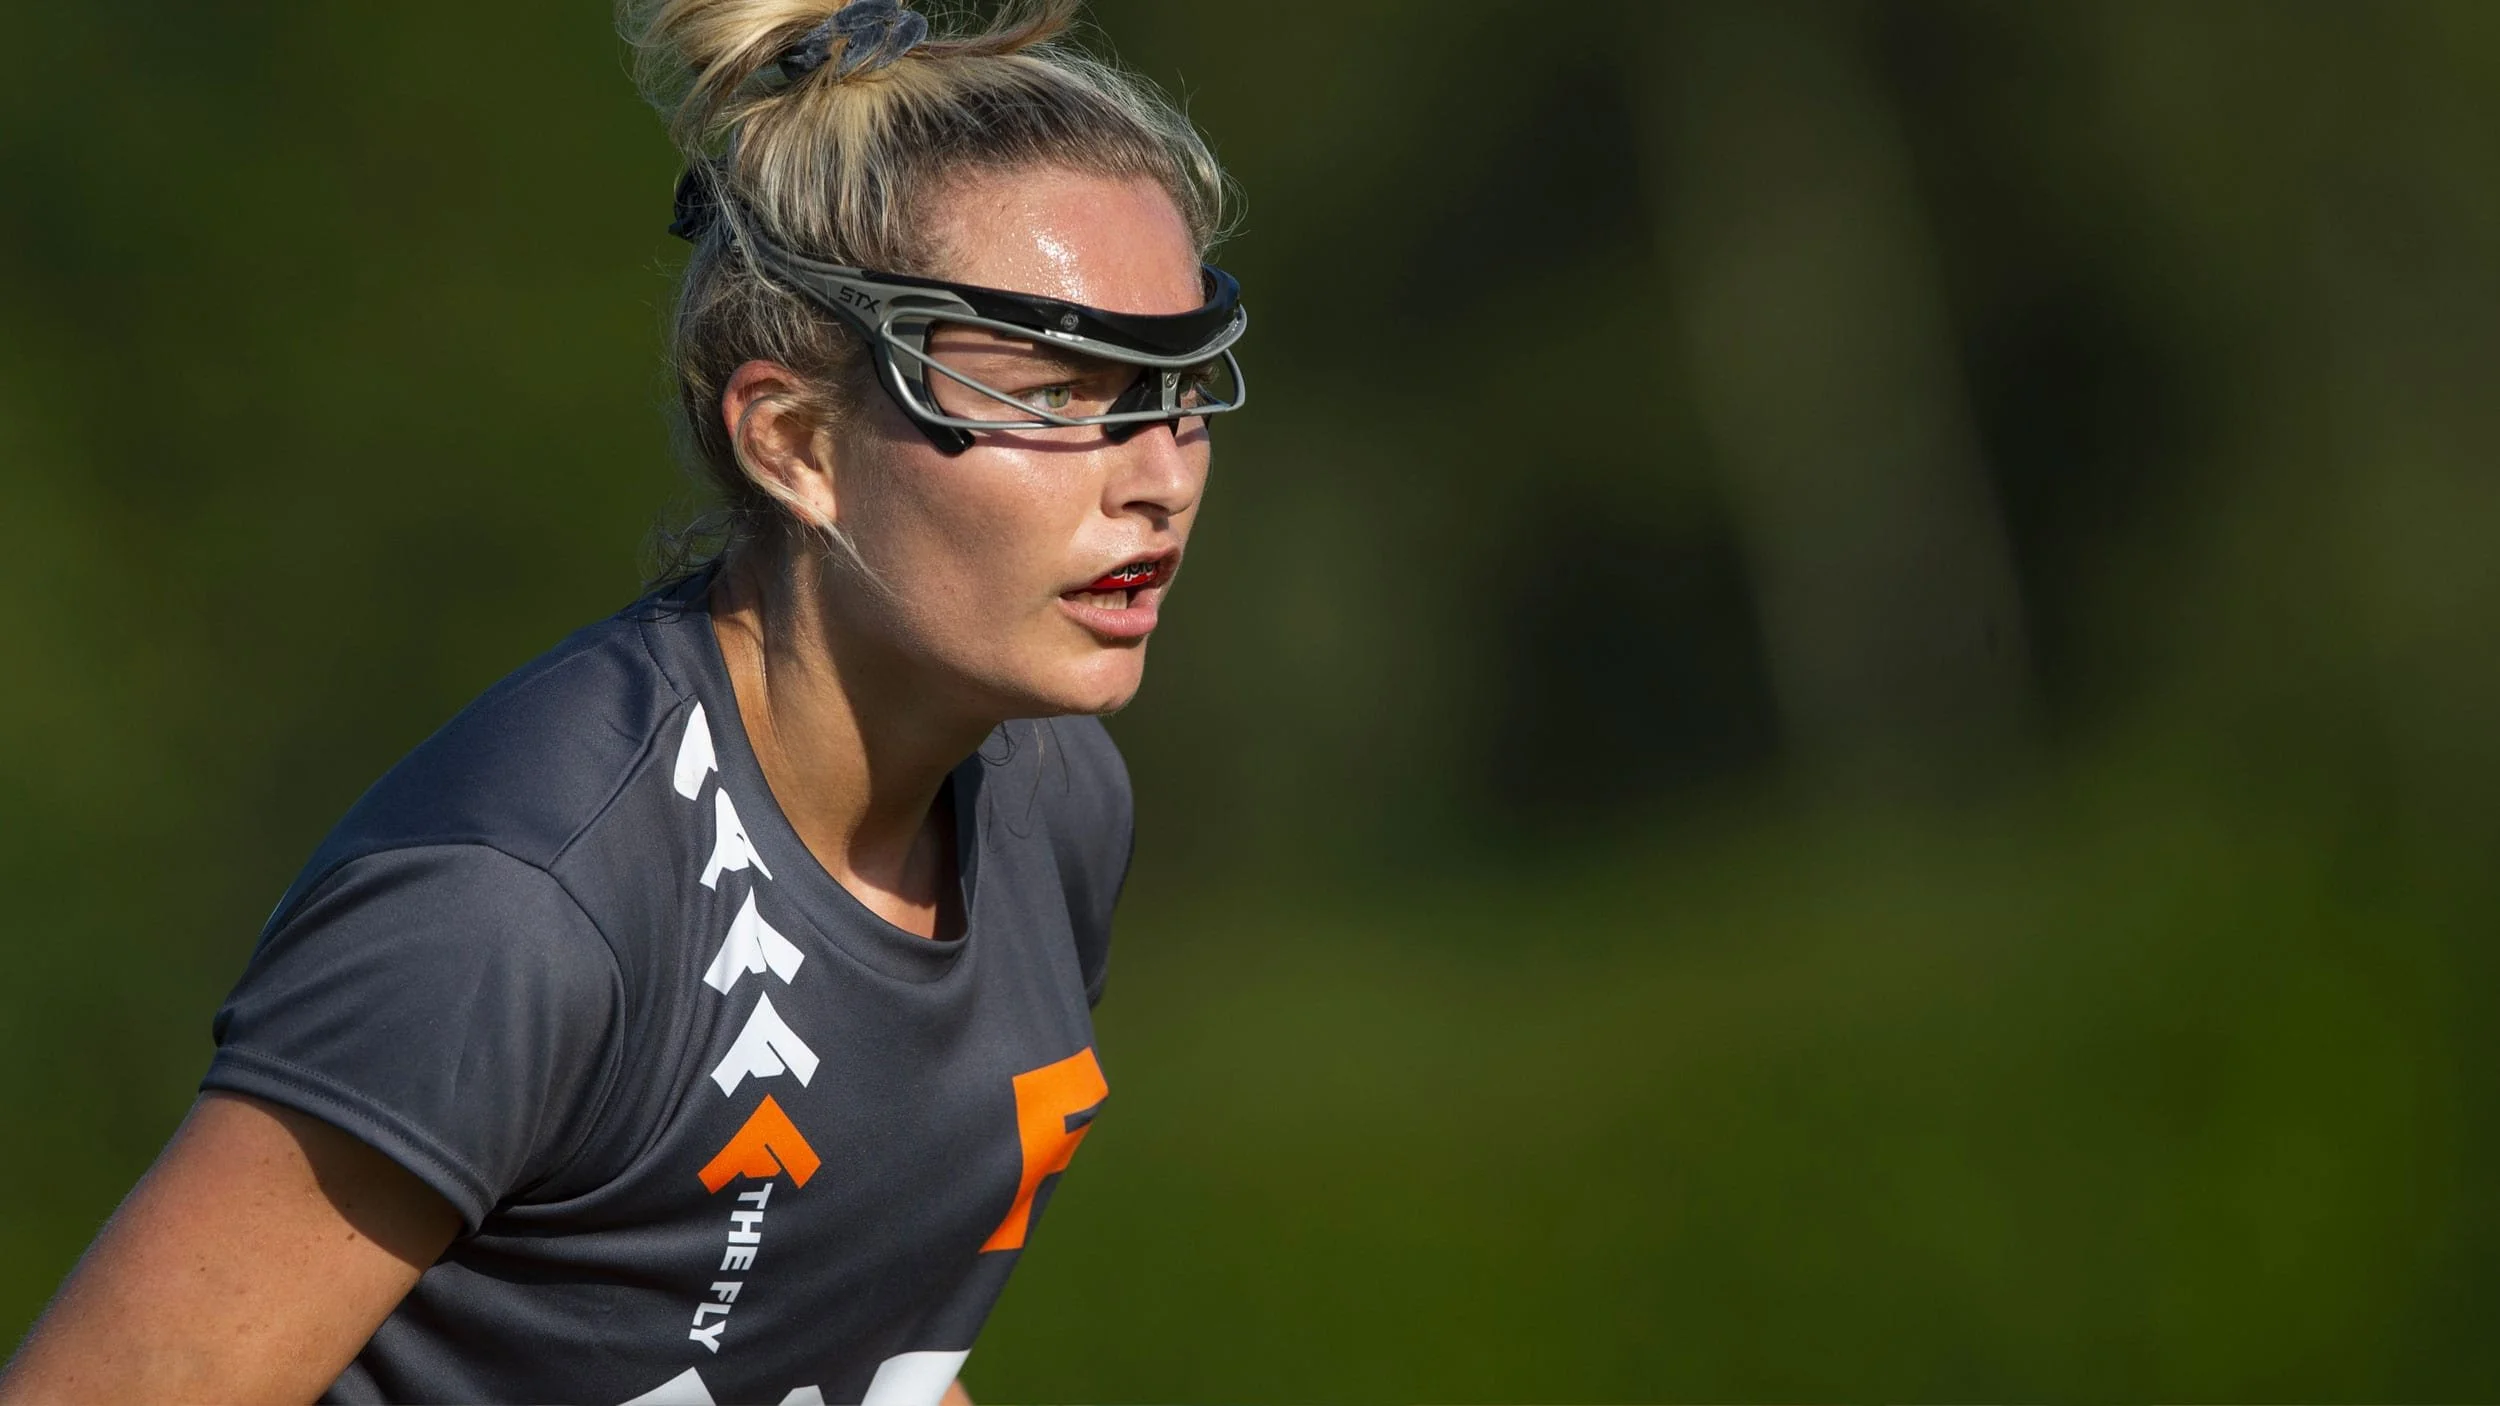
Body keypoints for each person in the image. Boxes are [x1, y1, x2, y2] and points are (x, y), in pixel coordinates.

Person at [0, 0, 1244, 1400]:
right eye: (1056, 395)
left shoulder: (1053, 795)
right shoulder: (518, 910)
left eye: (1173, 388)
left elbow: (837, 1350)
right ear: (794, 443)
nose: (1160, 475)